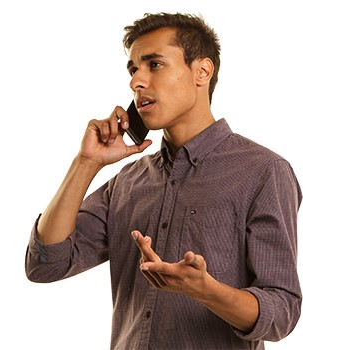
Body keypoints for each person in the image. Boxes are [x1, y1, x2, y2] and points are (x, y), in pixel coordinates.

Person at [25, 12, 302, 350]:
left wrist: (205, 289)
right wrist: (86, 163)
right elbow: (45, 264)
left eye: (153, 64)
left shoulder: (263, 172)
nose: (136, 81)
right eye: (133, 69)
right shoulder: (128, 182)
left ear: (202, 71)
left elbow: (282, 312)